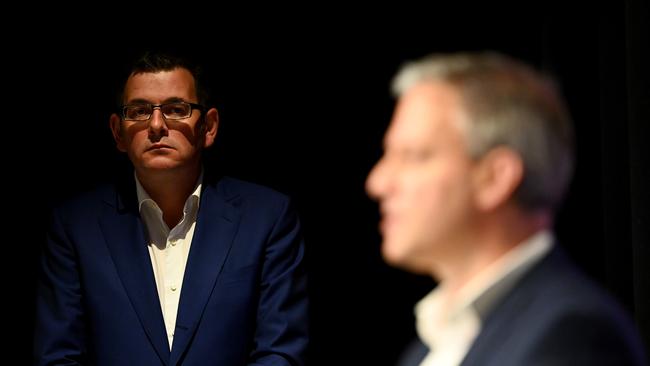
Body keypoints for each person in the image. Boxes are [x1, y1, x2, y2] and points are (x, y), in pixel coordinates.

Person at [366, 52, 647, 365]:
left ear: (494, 178)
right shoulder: (431, 346)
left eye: (413, 156)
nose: (378, 183)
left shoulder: (571, 334)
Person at [34, 51, 308, 365]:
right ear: (117, 131)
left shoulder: (267, 217)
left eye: (176, 109)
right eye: (138, 111)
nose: (156, 125)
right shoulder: (74, 226)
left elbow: (280, 353)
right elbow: (59, 357)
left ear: (209, 126)